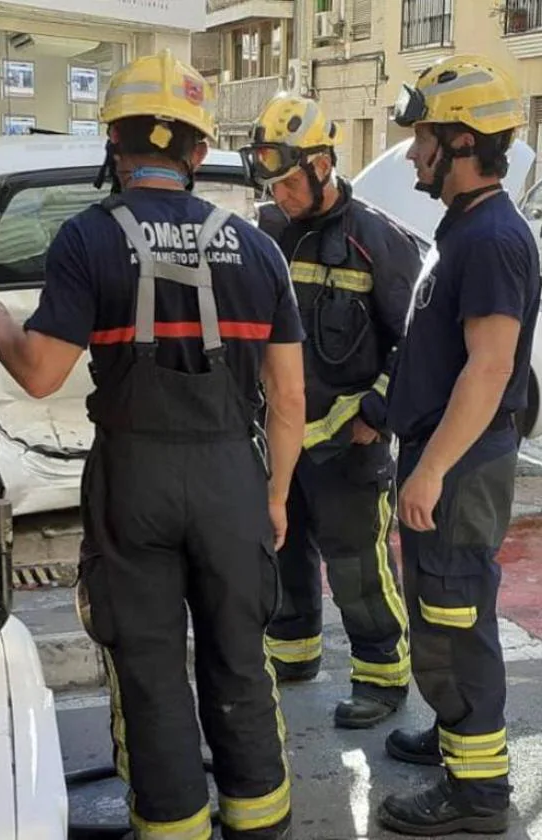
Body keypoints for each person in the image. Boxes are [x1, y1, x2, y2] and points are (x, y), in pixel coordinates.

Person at [0, 50, 305, 840]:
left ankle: (173, 826)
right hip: (230, 475)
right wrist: (273, 498)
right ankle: (261, 818)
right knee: (240, 652)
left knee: (148, 665)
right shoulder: (261, 248)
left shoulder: (86, 240)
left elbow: (38, 373)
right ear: (199, 153)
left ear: (116, 145)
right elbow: (291, 398)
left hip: (134, 475)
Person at [376, 54, 541, 836]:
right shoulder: (465, 230)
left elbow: (492, 365)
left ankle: (475, 794)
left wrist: (432, 468)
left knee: (452, 619)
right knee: (438, 612)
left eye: (423, 138)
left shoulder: (492, 239)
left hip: (460, 464)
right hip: (444, 453)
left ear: (463, 142)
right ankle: (454, 738)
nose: (413, 152)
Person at [239, 93, 419, 730]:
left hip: (350, 441)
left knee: (357, 564)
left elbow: (414, 343)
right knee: (284, 549)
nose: (281, 194)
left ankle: (381, 675)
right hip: (282, 440)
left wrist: (376, 412)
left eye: (290, 180)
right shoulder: (265, 233)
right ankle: (294, 651)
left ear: (322, 165)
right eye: (273, 183)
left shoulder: (378, 241)